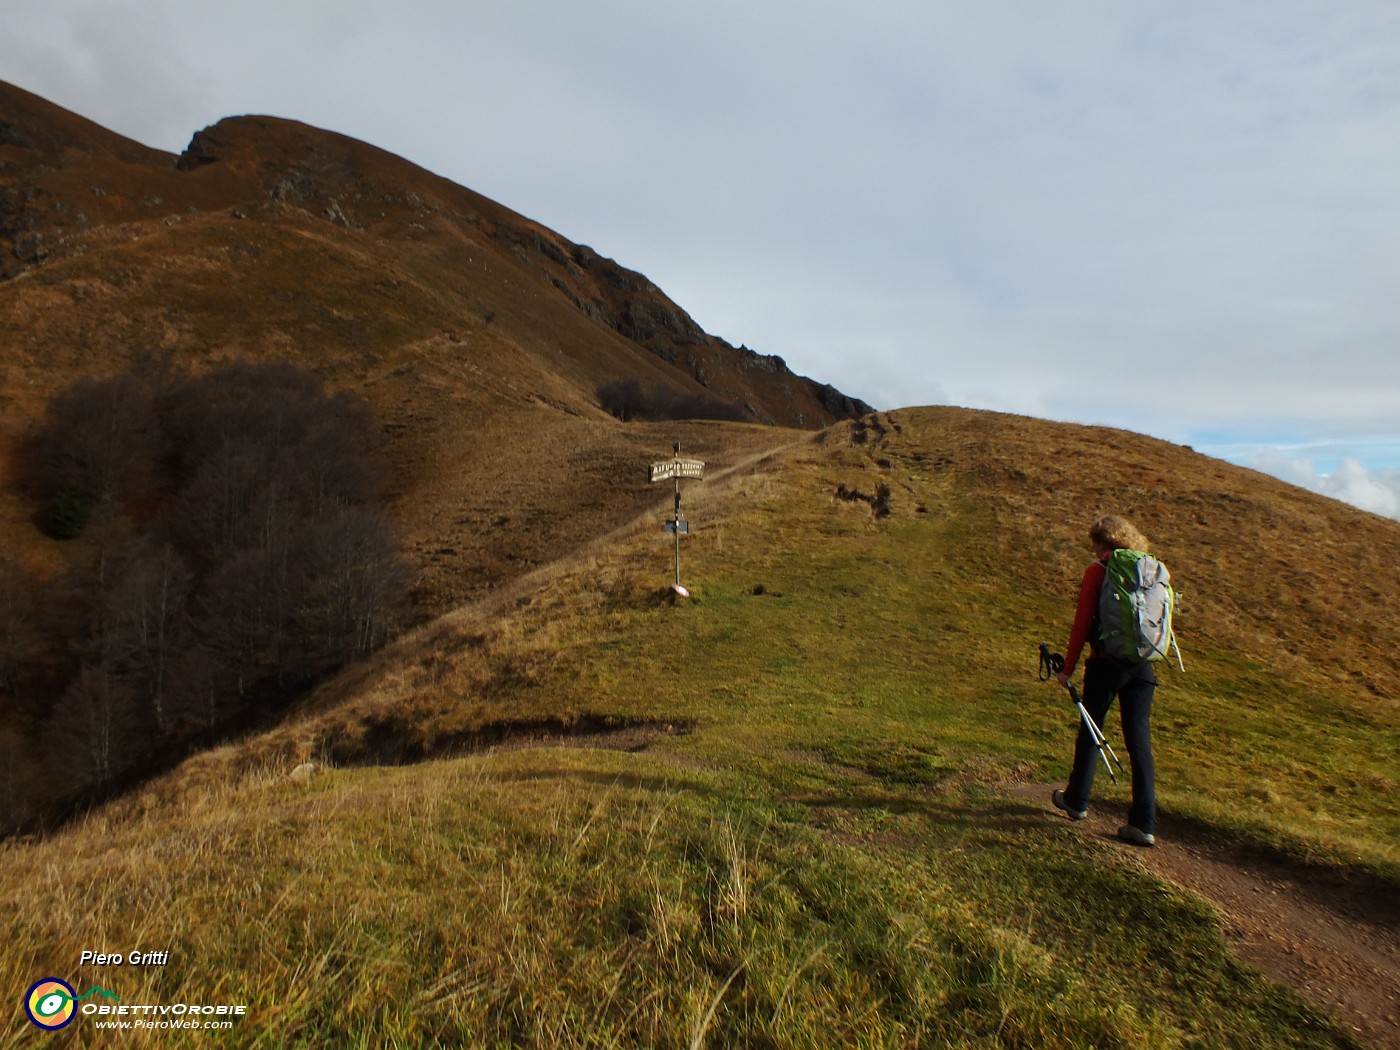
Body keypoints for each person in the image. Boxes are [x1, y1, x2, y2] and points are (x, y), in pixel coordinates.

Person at [1051, 515, 1158, 847]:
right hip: (1142, 667)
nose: (1094, 548)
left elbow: (1082, 623)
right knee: (1139, 741)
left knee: (1090, 730)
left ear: (1103, 542)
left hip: (1105, 664)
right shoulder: (1150, 571)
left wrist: (1067, 668)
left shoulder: (1098, 571)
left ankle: (1076, 800)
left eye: (1096, 542)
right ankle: (1143, 823)